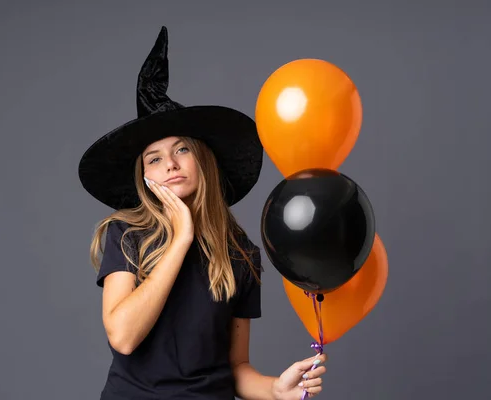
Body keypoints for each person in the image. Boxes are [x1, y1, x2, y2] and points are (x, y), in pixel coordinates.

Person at [78, 26, 327, 400]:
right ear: (144, 176)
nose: (170, 165)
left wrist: (276, 390)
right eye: (155, 158)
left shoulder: (241, 254)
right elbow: (123, 336)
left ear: (203, 159)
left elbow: (236, 368)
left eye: (182, 150)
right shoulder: (126, 235)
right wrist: (181, 239)